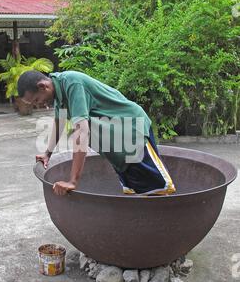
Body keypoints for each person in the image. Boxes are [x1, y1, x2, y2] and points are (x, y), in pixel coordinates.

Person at [17, 70, 176, 197]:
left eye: (37, 100)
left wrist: (73, 181)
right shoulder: (58, 92)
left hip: (132, 131)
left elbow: (82, 132)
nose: (39, 105)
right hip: (115, 139)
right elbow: (60, 123)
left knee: (157, 186)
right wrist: (47, 154)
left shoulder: (72, 83)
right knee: (136, 186)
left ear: (43, 86)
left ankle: (168, 226)